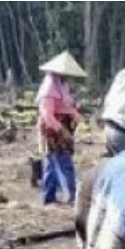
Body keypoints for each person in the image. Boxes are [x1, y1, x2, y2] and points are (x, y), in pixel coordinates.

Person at [36, 51, 85, 206]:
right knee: (63, 162)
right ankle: (71, 196)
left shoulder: (61, 84)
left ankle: (48, 197)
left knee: (51, 163)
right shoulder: (49, 87)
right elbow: (47, 114)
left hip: (62, 126)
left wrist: (75, 115)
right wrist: (62, 131)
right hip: (54, 130)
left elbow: (66, 106)